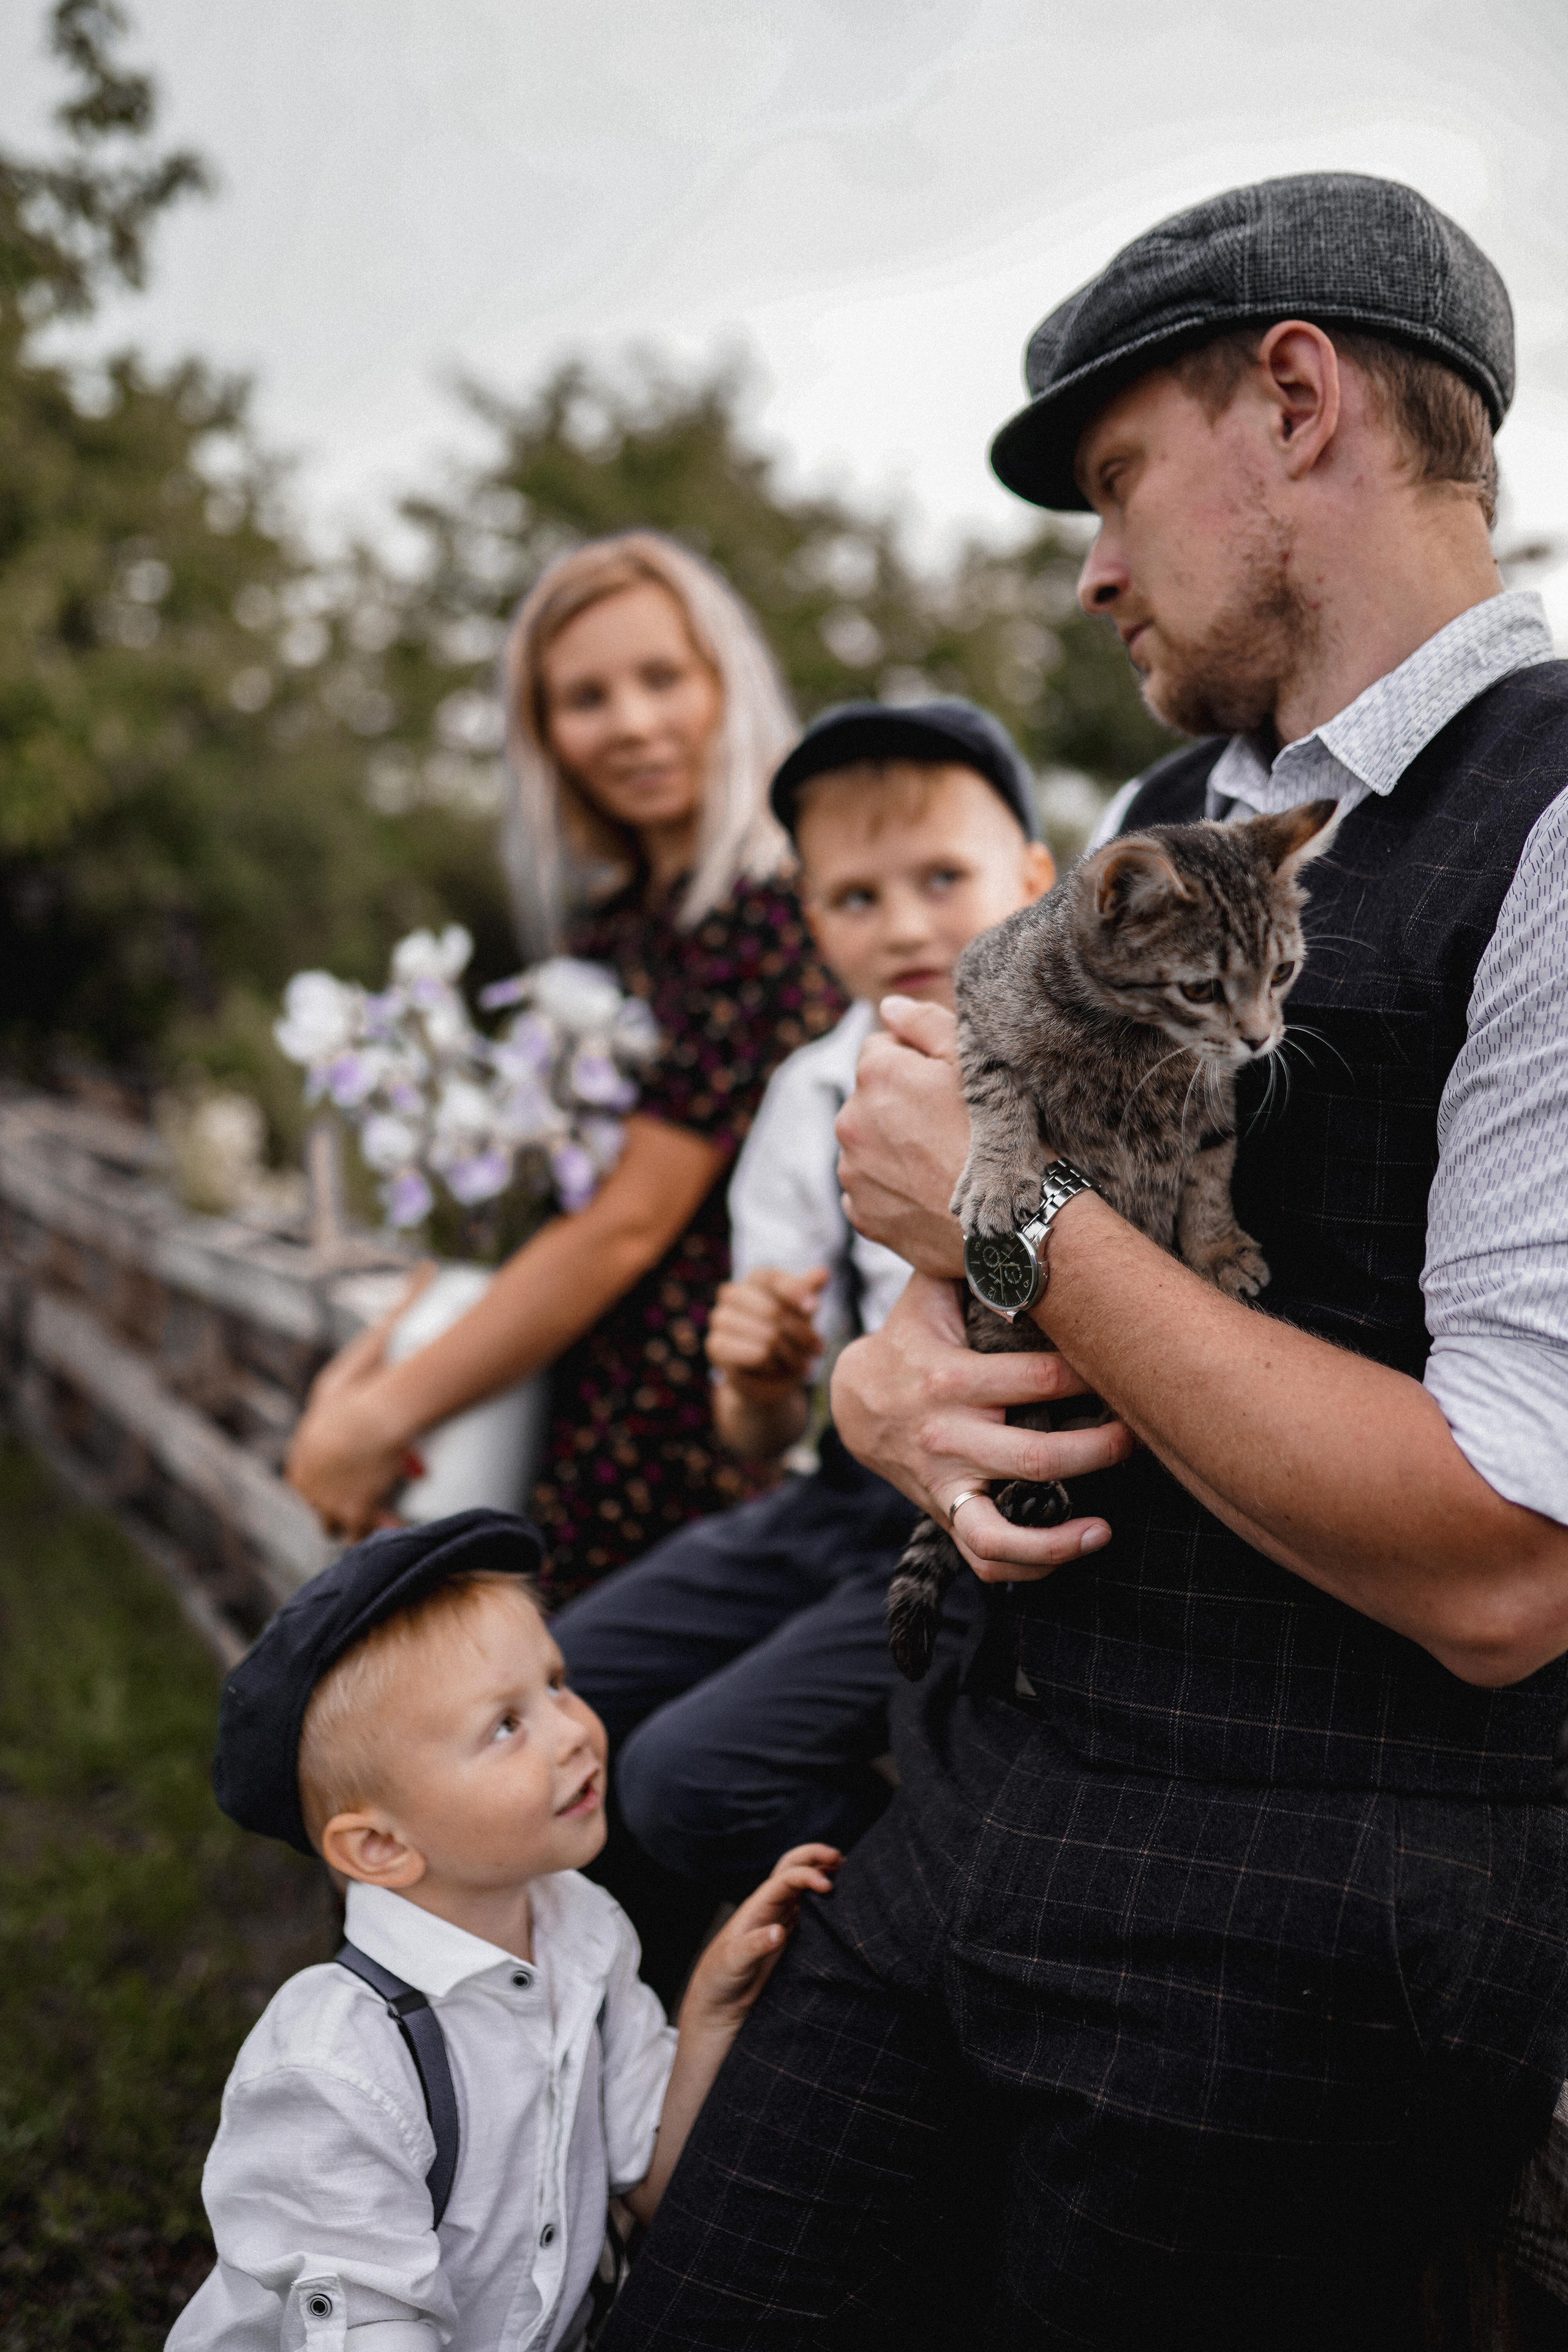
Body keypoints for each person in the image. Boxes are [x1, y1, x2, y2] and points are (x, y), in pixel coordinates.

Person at [599, 175, 1568, 2350]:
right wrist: (889, 1389)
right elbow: (941, 1248)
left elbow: (1513, 1562)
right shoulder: (1161, 806)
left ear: (1298, 403)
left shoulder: (1557, 826)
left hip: (1301, 1928)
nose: (1095, 562)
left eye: (1119, 477)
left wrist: (1001, 1220)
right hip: (955, 1821)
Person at [554, 701, 1055, 1916]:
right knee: (551, 1690)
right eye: (853, 898)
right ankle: (627, 2017)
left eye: (942, 877)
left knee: (688, 1777)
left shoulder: (1076, 1063)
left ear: (1033, 880)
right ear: (807, 913)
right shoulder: (809, 1092)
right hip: (838, 1494)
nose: (903, 926)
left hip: (1002, 1502)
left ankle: (929, 1948)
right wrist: (760, 1373)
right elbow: (758, 1440)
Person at [285, 533, 843, 1600]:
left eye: (662, 678)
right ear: (543, 732)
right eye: (584, 698)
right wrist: (379, 1364)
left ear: (727, 683)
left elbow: (624, 1227)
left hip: (694, 1446)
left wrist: (384, 1413)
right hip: (577, 1420)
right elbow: (541, 1210)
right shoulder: (609, 930)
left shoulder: (773, 915)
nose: (630, 722)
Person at [168, 1509, 839, 2352]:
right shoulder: (338, 2068)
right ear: (381, 1845)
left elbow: (655, 2183)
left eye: (556, 1683)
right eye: (506, 1727)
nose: (573, 1733)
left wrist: (707, 2007)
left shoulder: (582, 1931)